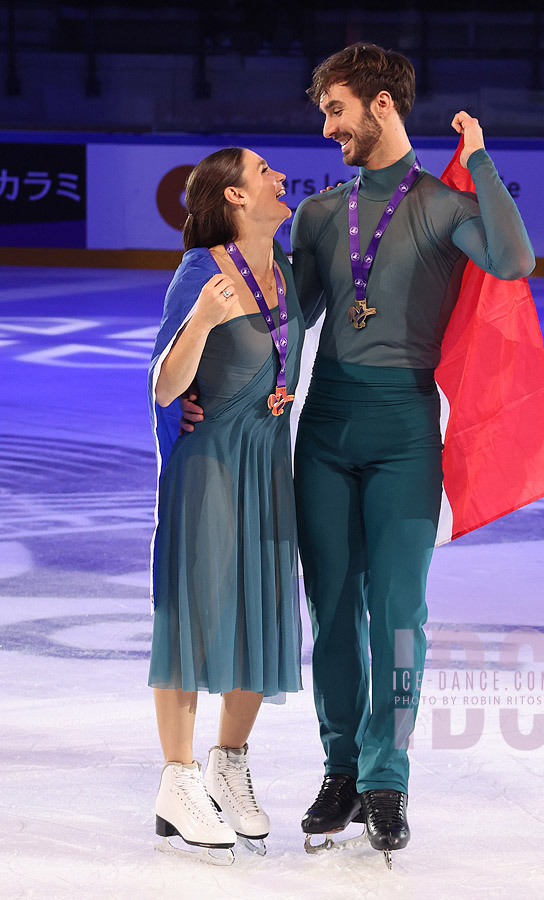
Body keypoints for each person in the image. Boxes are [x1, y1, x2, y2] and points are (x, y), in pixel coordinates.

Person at [180, 43, 536, 865]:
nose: (328, 127)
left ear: (382, 106)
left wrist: (479, 163)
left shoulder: (447, 207)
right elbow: (278, 326)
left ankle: (387, 779)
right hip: (327, 428)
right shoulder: (315, 214)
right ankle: (341, 769)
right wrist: (206, 380)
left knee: (399, 613)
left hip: (407, 431)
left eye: (336, 110)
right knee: (332, 611)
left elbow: (514, 261)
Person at [147, 147, 304, 863]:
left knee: (263, 607)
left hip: (268, 460)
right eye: (265, 171)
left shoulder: (288, 270)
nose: (279, 178)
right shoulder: (201, 270)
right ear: (236, 196)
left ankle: (228, 761)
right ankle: (176, 780)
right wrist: (203, 324)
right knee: (196, 608)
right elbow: (163, 385)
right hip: (209, 462)